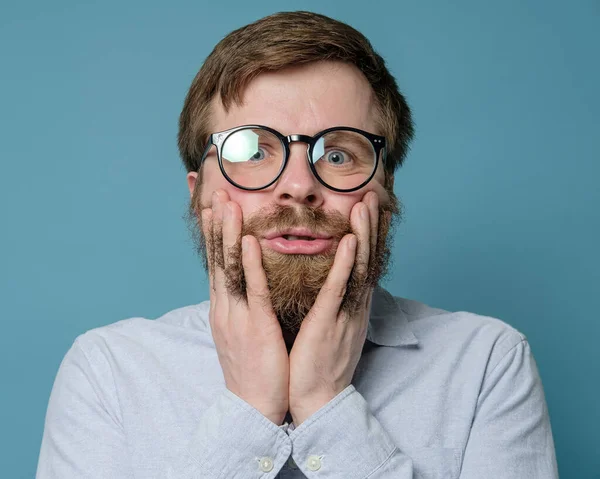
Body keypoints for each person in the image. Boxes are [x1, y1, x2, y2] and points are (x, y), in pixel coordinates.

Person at [36, 11, 559, 479]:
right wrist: (249, 407)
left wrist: (324, 403)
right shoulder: (109, 370)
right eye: (252, 150)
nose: (298, 185)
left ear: (385, 190)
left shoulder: (486, 362)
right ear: (200, 197)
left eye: (338, 155)